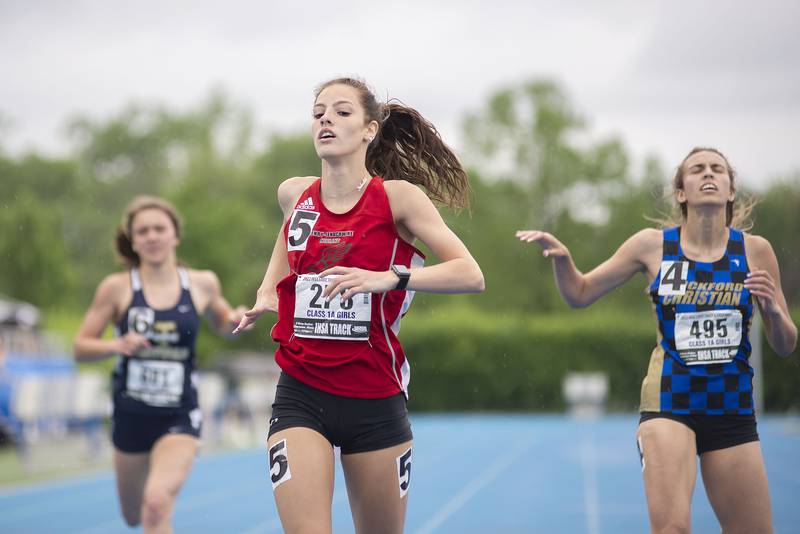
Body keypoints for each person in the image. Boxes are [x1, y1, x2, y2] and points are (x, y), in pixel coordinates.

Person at [233, 77, 484, 534]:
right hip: (300, 393)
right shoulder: (294, 193)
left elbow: (470, 274)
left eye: (342, 112)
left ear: (369, 130)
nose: (325, 118)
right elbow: (286, 232)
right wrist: (268, 289)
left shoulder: (397, 199)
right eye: (318, 112)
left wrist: (391, 278)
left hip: (374, 397)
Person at [517, 147, 796, 533]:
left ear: (731, 190)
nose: (708, 174)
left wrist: (774, 312)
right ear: (681, 192)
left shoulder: (755, 251)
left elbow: (785, 344)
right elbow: (579, 294)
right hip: (670, 402)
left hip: (731, 406)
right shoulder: (652, 246)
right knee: (672, 529)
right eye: (697, 170)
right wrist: (564, 261)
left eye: (718, 169)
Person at [73, 196, 249, 533]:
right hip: (130, 414)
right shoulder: (116, 288)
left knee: (156, 502)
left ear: (175, 235)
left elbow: (224, 324)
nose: (152, 236)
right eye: (143, 231)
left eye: (159, 229)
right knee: (134, 515)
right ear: (133, 241)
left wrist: (237, 320)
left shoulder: (201, 283)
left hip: (178, 414)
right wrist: (116, 344)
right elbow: (80, 348)